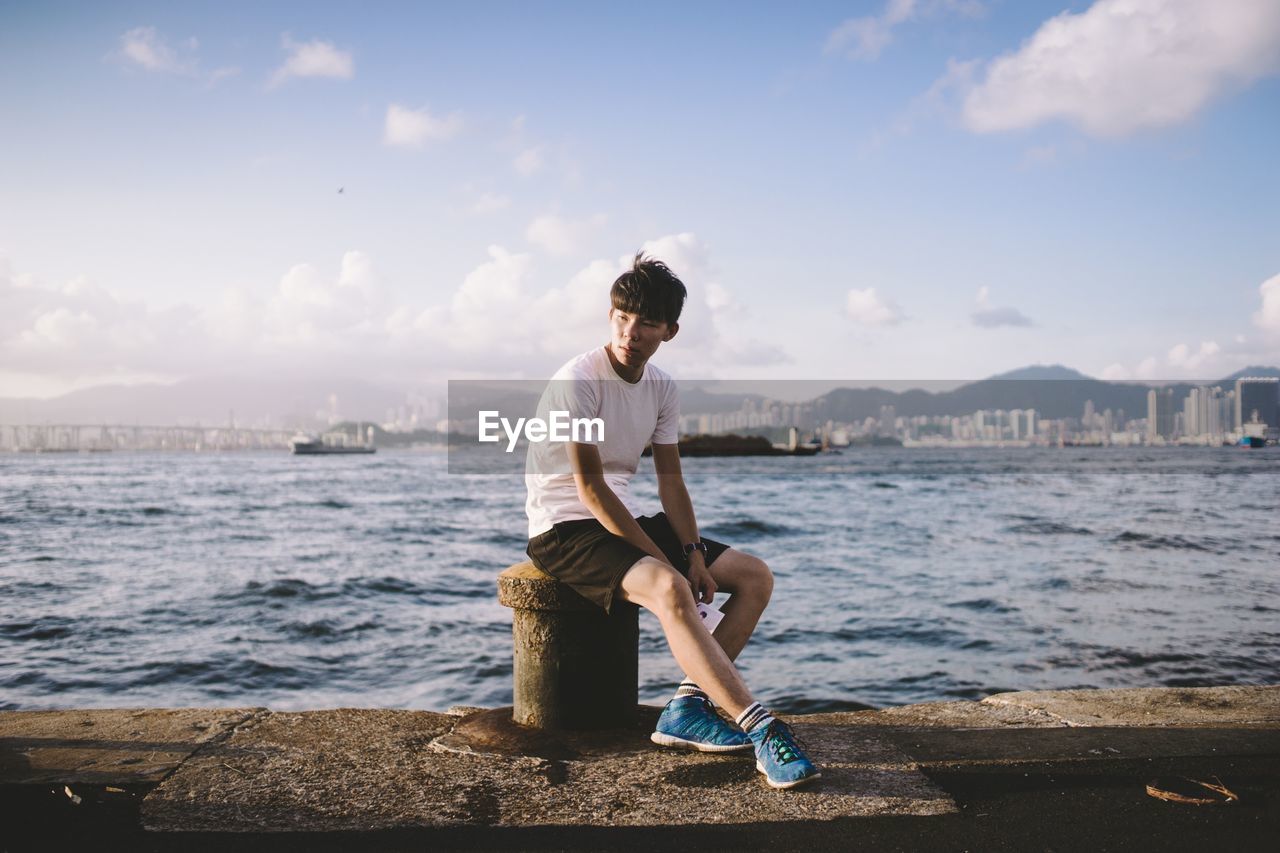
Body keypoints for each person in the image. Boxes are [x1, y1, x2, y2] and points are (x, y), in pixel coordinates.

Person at [524, 252, 819, 789]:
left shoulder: (661, 388)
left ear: (670, 331)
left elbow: (672, 484)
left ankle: (686, 708)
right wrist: (671, 565)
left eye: (646, 324)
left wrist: (695, 555)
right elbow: (590, 490)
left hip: (623, 513)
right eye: (621, 317)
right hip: (564, 526)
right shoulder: (579, 380)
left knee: (754, 576)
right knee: (668, 587)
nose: (629, 332)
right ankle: (759, 727)